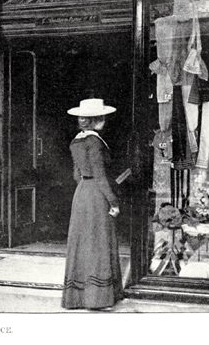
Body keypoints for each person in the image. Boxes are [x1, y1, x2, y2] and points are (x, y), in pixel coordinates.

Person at [61, 98, 123, 310]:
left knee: (83, 242)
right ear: (100, 119)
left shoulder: (76, 141)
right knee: (97, 242)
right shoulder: (95, 142)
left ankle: (78, 297)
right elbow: (100, 176)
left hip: (81, 195)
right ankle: (98, 298)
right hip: (96, 195)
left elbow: (77, 175)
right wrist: (113, 201)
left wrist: (86, 189)